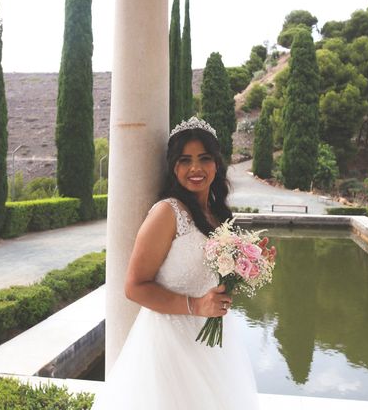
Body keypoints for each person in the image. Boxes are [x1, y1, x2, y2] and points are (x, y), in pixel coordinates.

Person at [94, 117, 259, 410]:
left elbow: (213, 278)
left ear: (216, 164)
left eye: (204, 158)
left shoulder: (218, 215)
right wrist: (196, 306)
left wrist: (250, 265)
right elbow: (134, 287)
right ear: (174, 167)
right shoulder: (167, 213)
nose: (195, 168)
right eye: (185, 160)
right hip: (169, 345)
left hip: (211, 346)